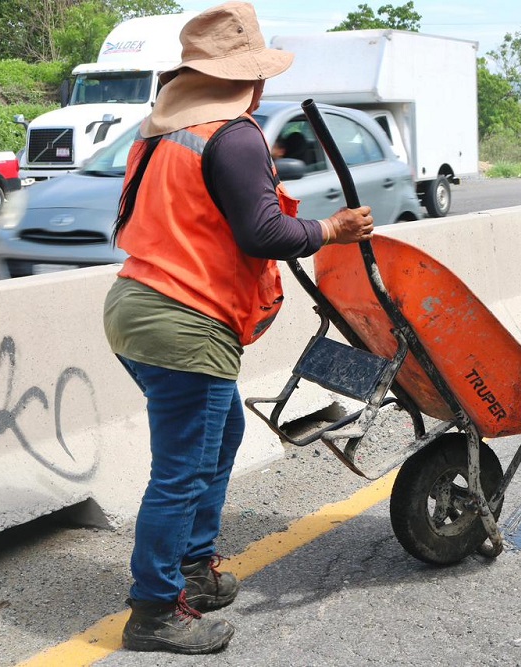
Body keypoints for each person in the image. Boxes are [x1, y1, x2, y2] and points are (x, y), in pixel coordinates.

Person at [103, 2, 374, 655]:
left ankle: (195, 567)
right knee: (181, 469)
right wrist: (332, 228)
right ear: (245, 78)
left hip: (135, 304)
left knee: (219, 433)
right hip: (185, 321)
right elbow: (263, 232)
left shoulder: (164, 129)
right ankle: (154, 609)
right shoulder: (235, 134)